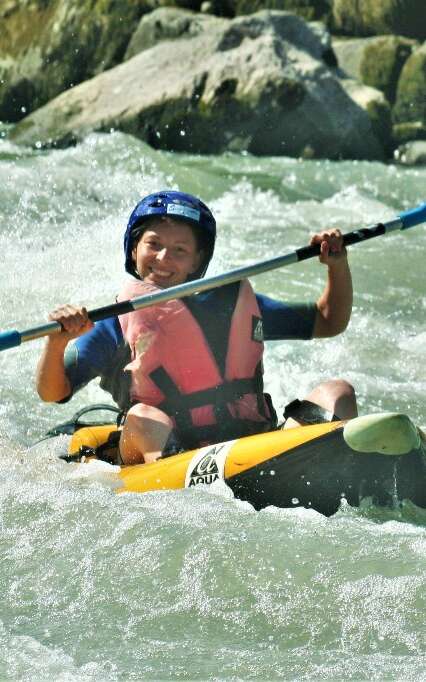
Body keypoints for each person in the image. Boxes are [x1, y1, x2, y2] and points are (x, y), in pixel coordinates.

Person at [36, 190, 357, 465]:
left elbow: (328, 321)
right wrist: (56, 343)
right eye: (153, 244)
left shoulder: (231, 304)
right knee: (142, 417)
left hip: (251, 441)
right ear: (134, 249)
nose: (163, 257)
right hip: (163, 453)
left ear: (197, 260)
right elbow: (53, 391)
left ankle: (340, 465)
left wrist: (337, 265)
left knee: (338, 393)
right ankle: (186, 479)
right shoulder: (114, 320)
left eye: (180, 250)